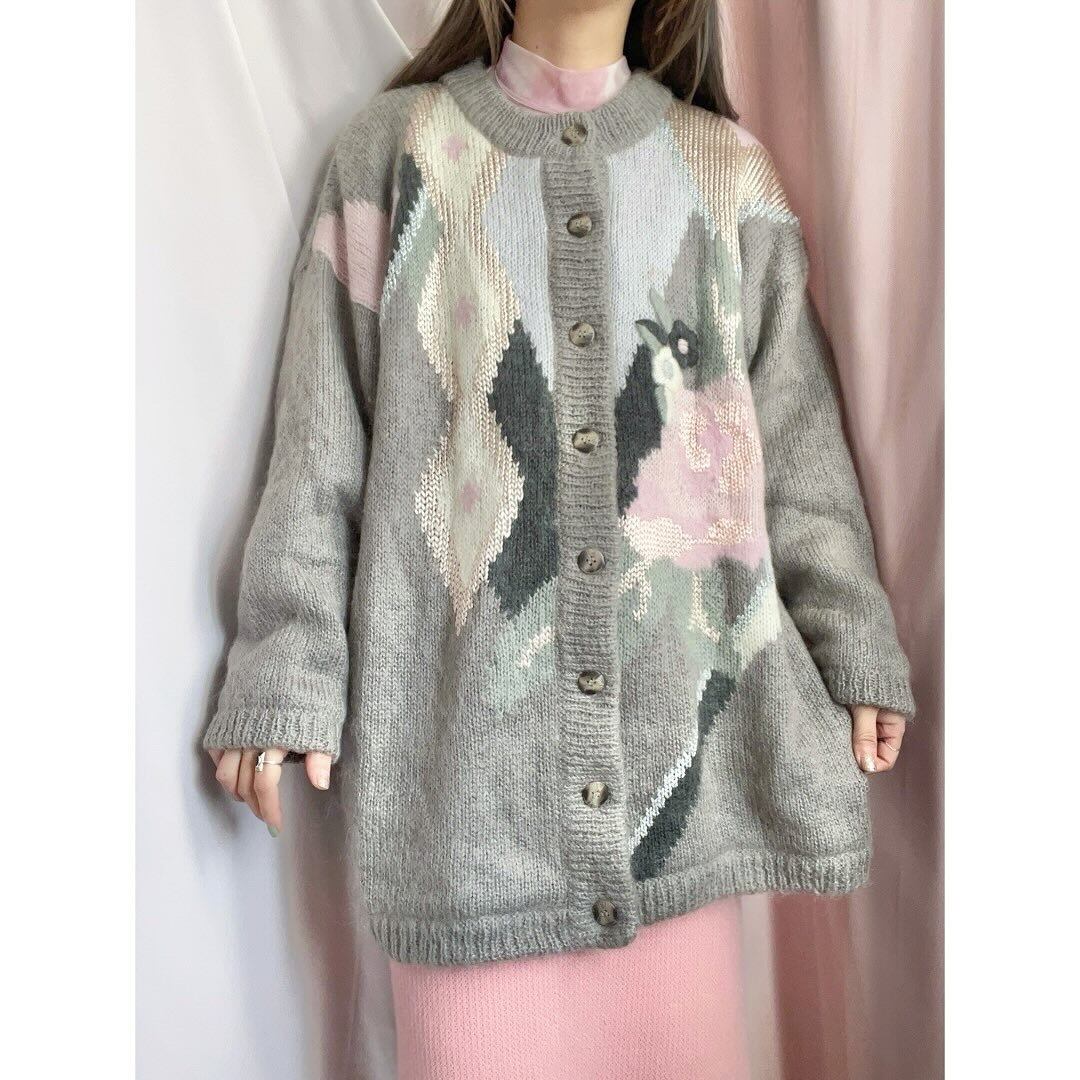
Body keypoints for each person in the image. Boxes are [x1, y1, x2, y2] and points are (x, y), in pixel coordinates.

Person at [204, 0, 914, 1074]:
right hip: (465, 825)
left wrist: (851, 640)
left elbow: (798, 450)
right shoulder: (394, 158)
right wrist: (283, 671)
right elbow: (319, 454)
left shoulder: (728, 176)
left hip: (678, 823)